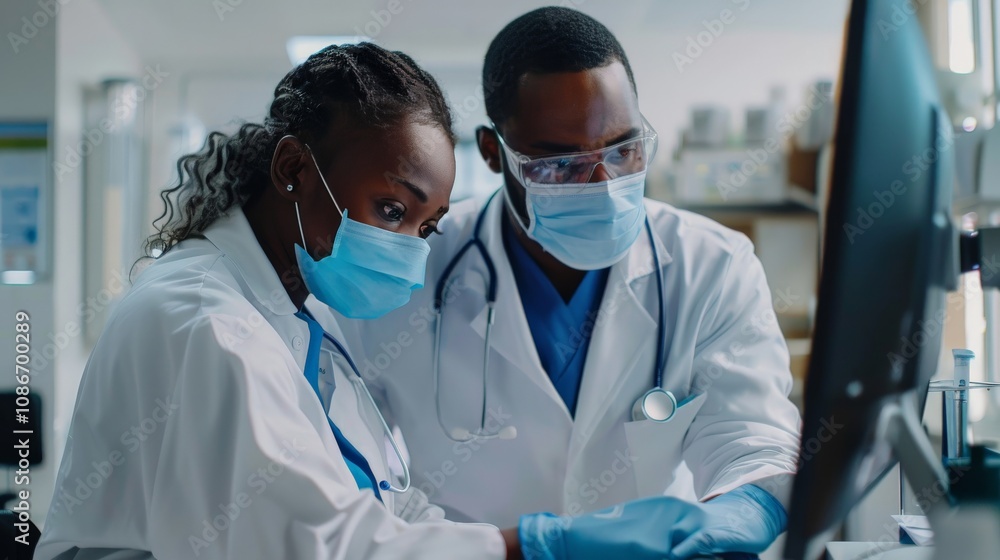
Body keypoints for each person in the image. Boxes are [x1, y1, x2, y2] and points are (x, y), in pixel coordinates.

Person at [34, 42, 699, 560]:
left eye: (427, 226)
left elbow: (383, 510)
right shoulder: (205, 324)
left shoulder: (298, 320)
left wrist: (530, 539)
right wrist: (539, 545)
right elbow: (314, 546)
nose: (410, 246)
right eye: (391, 209)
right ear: (294, 170)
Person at [339, 8, 802, 559]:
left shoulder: (711, 265)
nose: (603, 186)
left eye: (623, 150)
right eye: (561, 165)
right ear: (494, 152)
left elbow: (753, 436)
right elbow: (347, 457)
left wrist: (746, 506)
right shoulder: (411, 270)